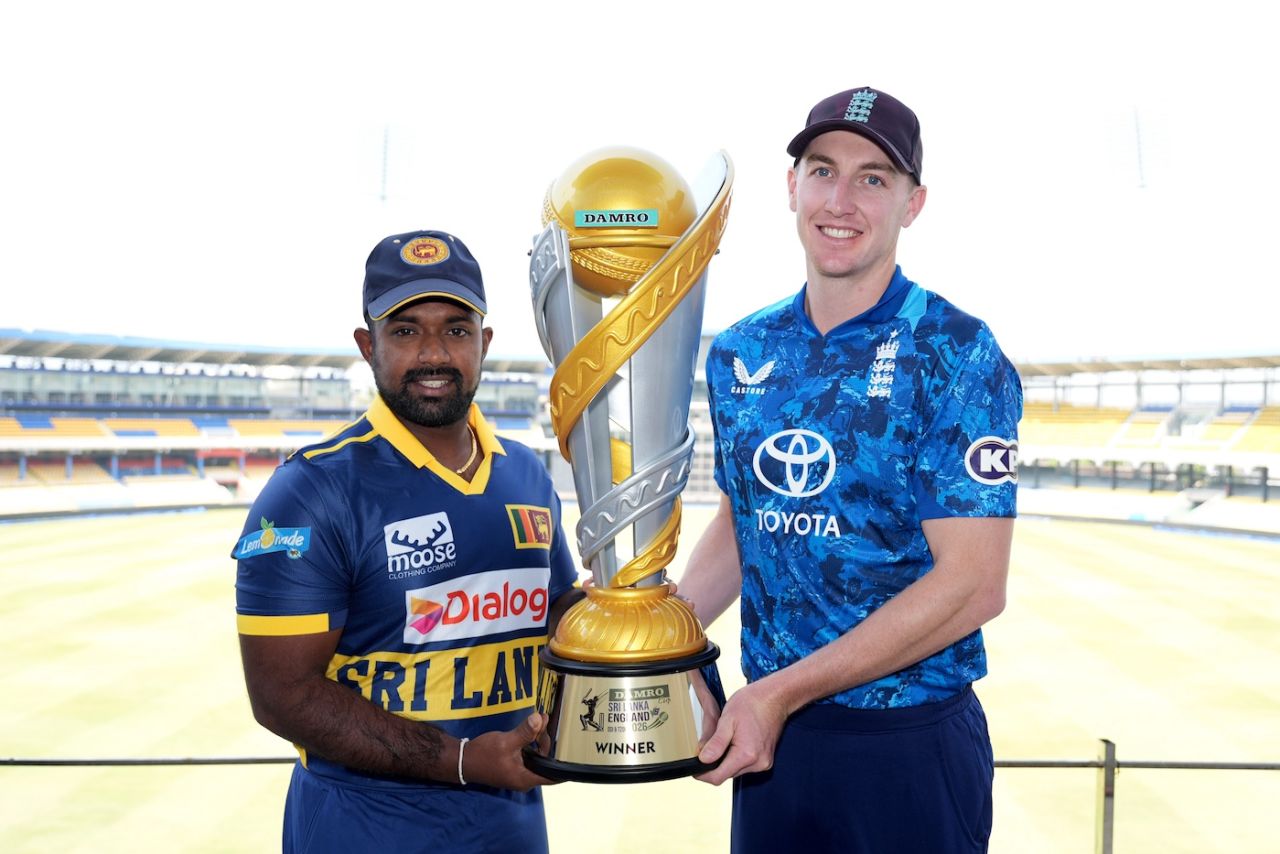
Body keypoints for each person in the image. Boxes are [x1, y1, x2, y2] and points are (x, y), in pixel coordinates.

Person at [679, 88, 1022, 852]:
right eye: (823, 170)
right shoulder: (739, 350)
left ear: (913, 202)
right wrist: (659, 636)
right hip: (774, 746)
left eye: (873, 178)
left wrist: (780, 693)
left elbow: (974, 583)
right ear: (791, 186)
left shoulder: (957, 352)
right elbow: (747, 522)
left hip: (907, 744)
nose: (842, 199)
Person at [234, 230, 581, 854]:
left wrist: (633, 614)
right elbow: (282, 696)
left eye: (455, 329)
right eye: (404, 331)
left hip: (513, 825)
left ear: (484, 343)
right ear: (368, 346)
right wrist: (464, 760)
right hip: (362, 828)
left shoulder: (526, 473)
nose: (433, 353)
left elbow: (559, 613)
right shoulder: (312, 490)